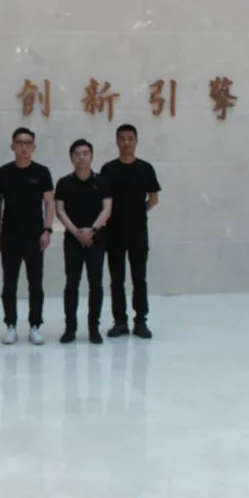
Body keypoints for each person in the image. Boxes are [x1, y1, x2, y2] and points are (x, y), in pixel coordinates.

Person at [100, 124, 161, 339]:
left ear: (136, 141)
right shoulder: (108, 169)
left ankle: (140, 321)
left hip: (137, 232)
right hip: (114, 232)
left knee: (139, 278)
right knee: (116, 280)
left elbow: (153, 199)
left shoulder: (145, 168)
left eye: (130, 138)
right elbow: (103, 200)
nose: (126, 142)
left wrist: (138, 211)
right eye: (122, 138)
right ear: (116, 141)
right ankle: (120, 322)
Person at [0, 127, 55, 346]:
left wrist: (47, 230)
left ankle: (35, 326)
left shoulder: (42, 172)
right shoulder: (4, 172)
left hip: (35, 236)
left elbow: (49, 203)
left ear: (34, 146)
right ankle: (10, 325)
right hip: (10, 235)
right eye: (19, 142)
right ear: (12, 146)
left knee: (35, 284)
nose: (24, 147)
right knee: (9, 284)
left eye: (28, 143)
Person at [54, 139, 112, 344]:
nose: (81, 157)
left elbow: (107, 209)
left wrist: (92, 230)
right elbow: (60, 211)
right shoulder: (64, 183)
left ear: (92, 156)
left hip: (97, 240)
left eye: (85, 153)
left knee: (96, 285)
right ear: (71, 158)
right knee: (72, 284)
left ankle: (93, 328)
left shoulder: (102, 182)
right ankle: (70, 328)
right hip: (73, 241)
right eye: (77, 154)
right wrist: (77, 233)